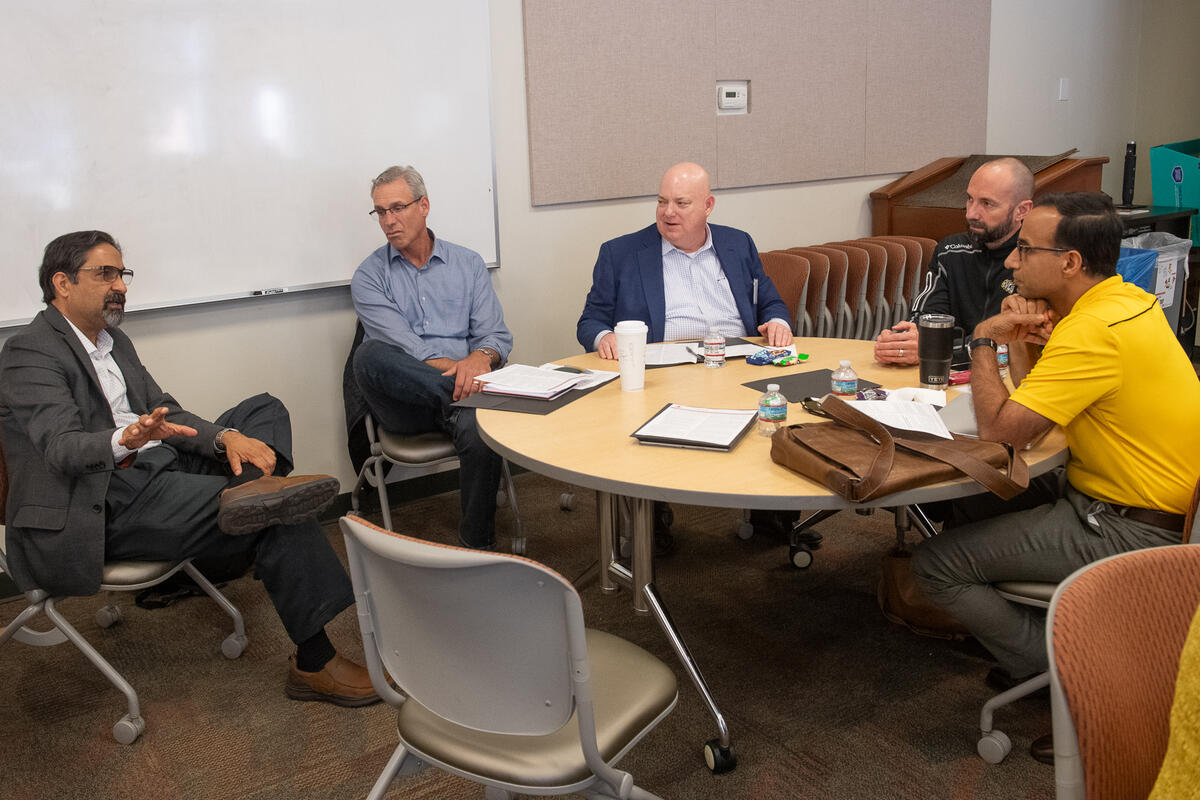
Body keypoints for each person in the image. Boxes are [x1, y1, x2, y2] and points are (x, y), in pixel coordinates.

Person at [0, 230, 378, 707]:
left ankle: (241, 514)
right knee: (276, 508)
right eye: (105, 274)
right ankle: (313, 661)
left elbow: (165, 410)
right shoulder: (29, 352)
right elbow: (61, 448)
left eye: (122, 274)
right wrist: (126, 438)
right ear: (62, 283)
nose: (119, 285)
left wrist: (224, 439)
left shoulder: (113, 339)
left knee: (263, 412)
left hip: (157, 469)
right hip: (103, 499)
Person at [911, 193, 1200, 763]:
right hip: (1142, 498)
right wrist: (1020, 344)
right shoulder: (1126, 303)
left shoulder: (1090, 332)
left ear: (1069, 262)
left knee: (936, 564)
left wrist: (985, 340)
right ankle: (1057, 644)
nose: (1012, 262)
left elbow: (1003, 431)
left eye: (1024, 249)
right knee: (979, 500)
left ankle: (1072, 675)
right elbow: (1036, 413)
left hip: (1132, 527)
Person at [351, 165, 513, 550]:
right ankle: (466, 399)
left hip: (469, 398)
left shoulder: (469, 264)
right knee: (369, 355)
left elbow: (495, 337)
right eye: (380, 212)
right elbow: (409, 352)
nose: (389, 221)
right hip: (407, 404)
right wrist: (467, 374)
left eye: (397, 208)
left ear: (424, 206)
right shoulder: (369, 276)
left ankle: (477, 547)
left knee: (476, 423)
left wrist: (482, 357)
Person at [576, 162, 792, 356]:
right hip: (663, 370)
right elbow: (591, 321)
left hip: (737, 360)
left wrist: (777, 323)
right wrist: (604, 337)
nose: (668, 212)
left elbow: (770, 302)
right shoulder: (620, 254)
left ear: (708, 206)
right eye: (662, 202)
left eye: (681, 203)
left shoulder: (738, 243)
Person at [874, 157, 1035, 365]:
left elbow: (1011, 341)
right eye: (970, 199)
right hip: (948, 374)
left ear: (1022, 210)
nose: (971, 213)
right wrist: (905, 340)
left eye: (987, 203)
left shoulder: (1039, 262)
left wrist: (937, 350)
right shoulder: (951, 250)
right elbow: (926, 317)